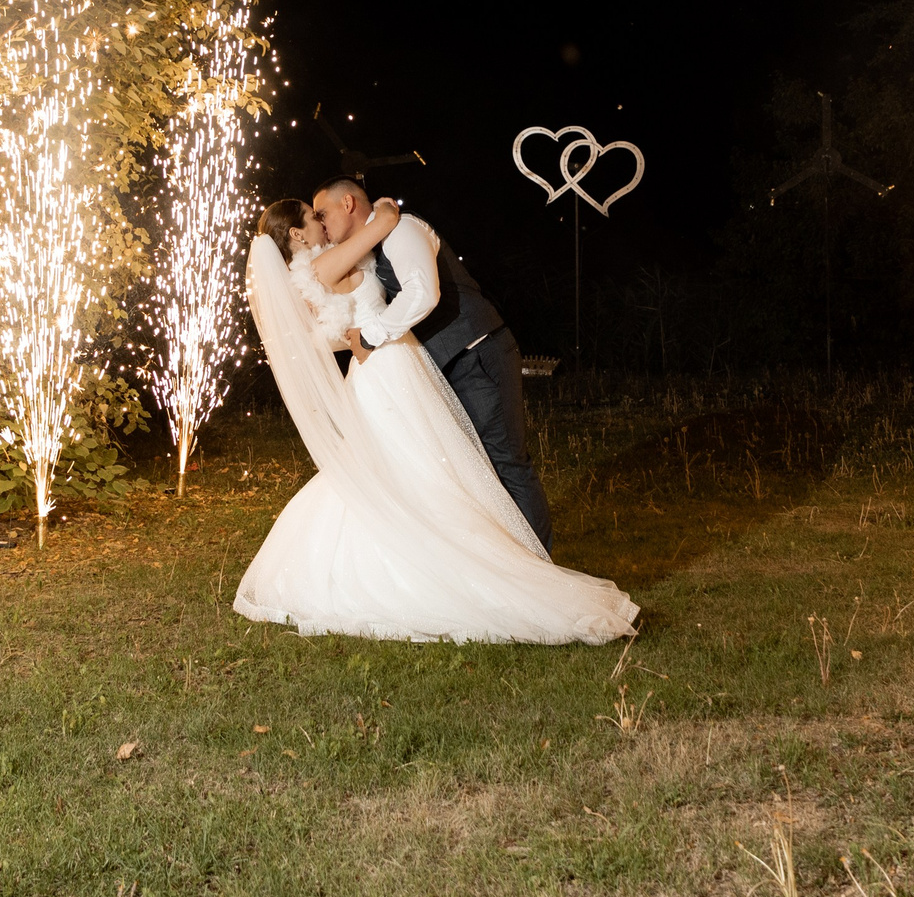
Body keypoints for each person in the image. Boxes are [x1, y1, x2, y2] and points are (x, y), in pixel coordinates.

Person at [231, 196, 636, 645]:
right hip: (387, 370)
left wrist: (357, 335)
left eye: (323, 211)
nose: (322, 221)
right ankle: (471, 565)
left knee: (418, 465)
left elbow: (331, 333)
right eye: (314, 216)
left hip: (390, 366)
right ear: (297, 234)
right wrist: (384, 217)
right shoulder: (321, 267)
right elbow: (375, 239)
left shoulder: (310, 273)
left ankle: (503, 555)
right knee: (423, 465)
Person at [309, 176, 552, 548]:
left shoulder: (403, 229)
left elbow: (423, 292)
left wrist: (372, 335)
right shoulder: (374, 242)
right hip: (439, 366)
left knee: (506, 462)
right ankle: (503, 558)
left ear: (348, 204)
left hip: (475, 352)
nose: (321, 223)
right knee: (470, 470)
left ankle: (539, 567)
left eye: (323, 213)